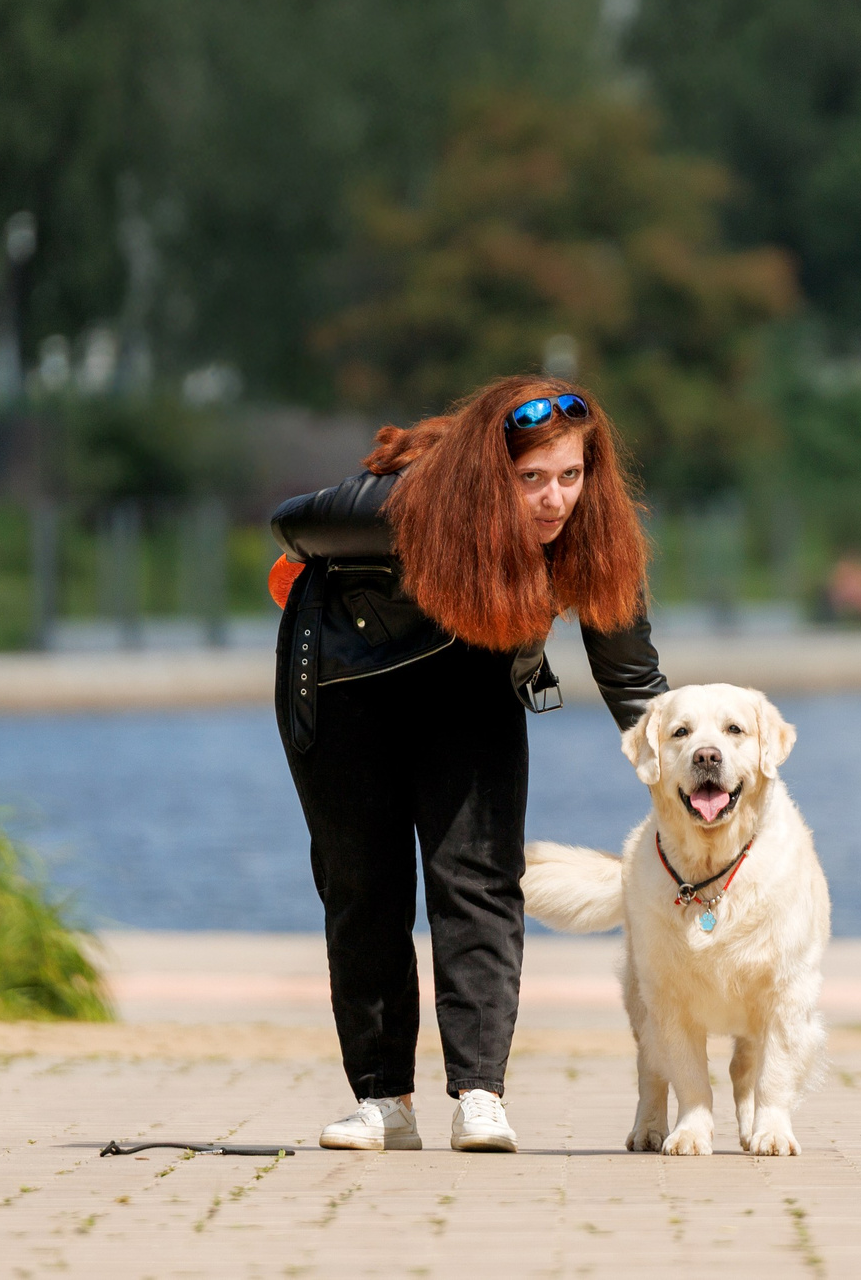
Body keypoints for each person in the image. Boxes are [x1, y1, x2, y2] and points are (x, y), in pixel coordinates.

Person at [268, 375, 667, 1153]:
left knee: (479, 880)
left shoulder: (592, 531)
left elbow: (632, 676)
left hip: (471, 681)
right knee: (364, 888)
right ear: (493, 473)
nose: (554, 498)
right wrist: (426, 525)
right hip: (346, 686)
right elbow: (292, 524)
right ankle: (383, 1101)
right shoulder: (413, 500)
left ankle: (480, 1096)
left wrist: (691, 781)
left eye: (570, 475)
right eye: (532, 477)